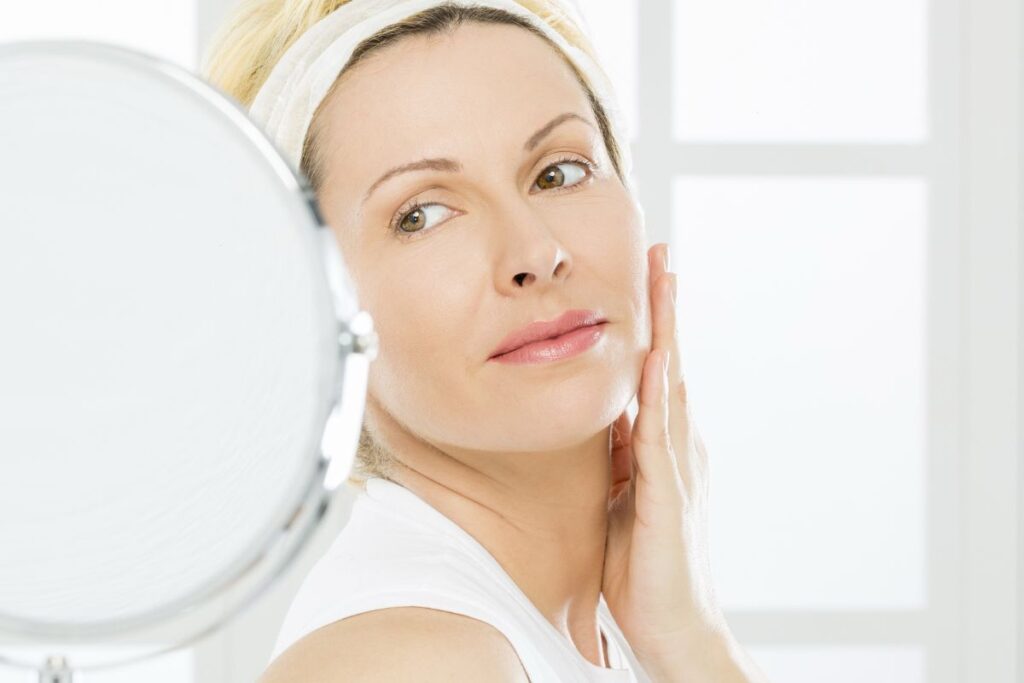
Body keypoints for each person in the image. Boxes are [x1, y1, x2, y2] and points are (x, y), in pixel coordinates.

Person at [202, 1, 772, 680]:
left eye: (559, 172)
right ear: (316, 307)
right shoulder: (410, 661)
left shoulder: (571, 628)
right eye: (422, 214)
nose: (535, 252)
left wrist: (689, 639)